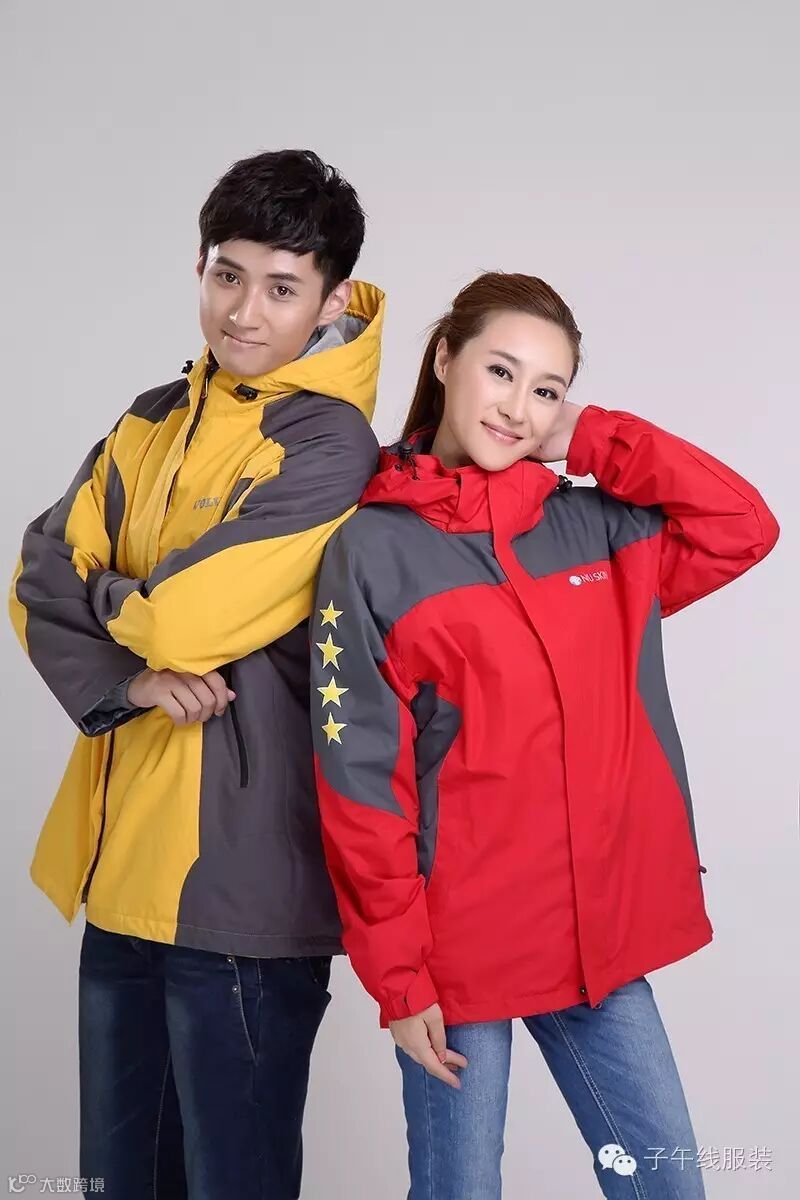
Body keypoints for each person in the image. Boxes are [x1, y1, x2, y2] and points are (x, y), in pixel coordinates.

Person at [310, 271, 779, 1199]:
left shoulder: (600, 531)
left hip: (596, 943)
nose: (516, 407)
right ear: (445, 358)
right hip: (460, 955)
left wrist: (593, 437)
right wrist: (400, 980)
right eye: (501, 371)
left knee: (669, 1184)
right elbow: (361, 778)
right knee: (459, 1191)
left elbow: (743, 526)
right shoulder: (370, 551)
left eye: (546, 389)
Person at [9, 148, 385, 1199]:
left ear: (331, 301)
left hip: (244, 893)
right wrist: (128, 679)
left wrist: (111, 595)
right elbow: (33, 574)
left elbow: (181, 619)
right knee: (116, 1182)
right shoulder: (151, 417)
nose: (243, 312)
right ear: (200, 268)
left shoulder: (331, 445)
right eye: (227, 275)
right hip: (122, 875)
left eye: (281, 288)